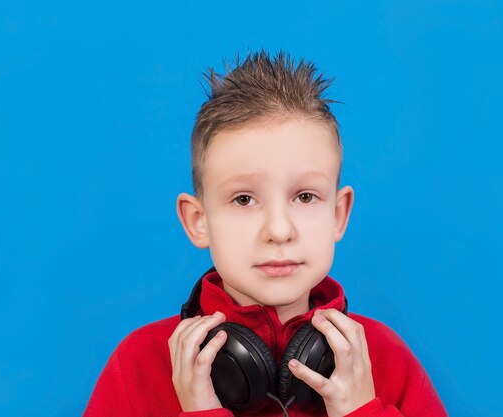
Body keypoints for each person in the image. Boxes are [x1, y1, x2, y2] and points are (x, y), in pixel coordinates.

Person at [82, 50, 448, 417]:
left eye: (305, 196)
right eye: (244, 199)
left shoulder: (385, 357)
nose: (278, 230)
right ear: (198, 220)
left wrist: (363, 411)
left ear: (338, 214)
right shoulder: (138, 363)